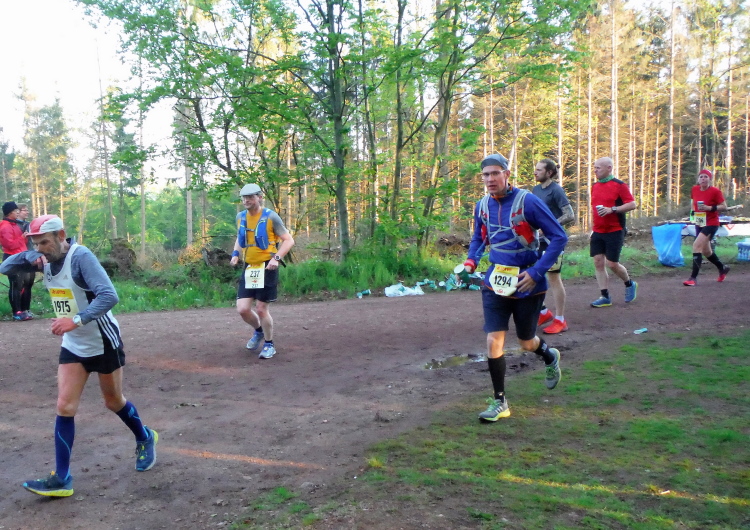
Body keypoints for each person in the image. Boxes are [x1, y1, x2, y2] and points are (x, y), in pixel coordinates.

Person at [18, 215, 157, 497]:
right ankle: (62, 479)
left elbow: (109, 296)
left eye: (44, 242)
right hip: (74, 345)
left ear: (61, 235)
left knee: (113, 401)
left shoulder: (81, 257)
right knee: (64, 406)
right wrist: (30, 256)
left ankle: (145, 437)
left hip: (103, 341)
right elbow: (6, 267)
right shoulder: (45, 259)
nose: (40, 248)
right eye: (35, 244)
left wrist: (76, 320)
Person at [463, 153, 568, 422]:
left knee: (526, 341)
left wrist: (536, 272)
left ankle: (549, 355)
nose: (490, 179)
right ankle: (500, 402)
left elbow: (559, 237)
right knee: (493, 340)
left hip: (527, 282)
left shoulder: (527, 201)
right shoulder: (482, 206)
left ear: (507, 174)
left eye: (495, 173)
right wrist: (472, 260)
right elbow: (479, 237)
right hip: (496, 281)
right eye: (485, 175)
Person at [229, 184, 295, 359]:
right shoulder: (240, 217)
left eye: (250, 197)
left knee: (261, 309)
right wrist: (235, 254)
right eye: (244, 197)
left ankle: (269, 344)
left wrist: (276, 258)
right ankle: (258, 331)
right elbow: (241, 237)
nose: (246, 200)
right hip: (249, 267)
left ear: (259, 197)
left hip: (267, 266)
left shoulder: (271, 217)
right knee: (243, 309)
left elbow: (288, 240)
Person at [532, 159, 575, 334]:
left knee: (553, 277)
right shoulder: (535, 190)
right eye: (535, 169)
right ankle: (543, 312)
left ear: (549, 172)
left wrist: (550, 226)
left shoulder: (556, 190)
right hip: (538, 240)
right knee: (533, 274)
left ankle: (560, 319)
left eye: (539, 170)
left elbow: (569, 215)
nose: (535, 172)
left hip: (554, 241)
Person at [589, 157, 638, 308]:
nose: (595, 170)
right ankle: (605, 296)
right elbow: (594, 209)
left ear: (609, 168)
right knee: (598, 262)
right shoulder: (595, 186)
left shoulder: (619, 185)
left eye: (598, 168)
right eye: (594, 167)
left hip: (615, 230)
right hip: (598, 230)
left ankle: (629, 283)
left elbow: (632, 204)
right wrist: (592, 228)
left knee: (612, 264)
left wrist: (612, 209)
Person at [683, 169, 730, 286]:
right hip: (699, 222)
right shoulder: (694, 189)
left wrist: (710, 208)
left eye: (705, 177)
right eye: (701, 177)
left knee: (696, 246)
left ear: (710, 179)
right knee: (706, 251)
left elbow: (724, 206)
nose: (703, 179)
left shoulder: (715, 191)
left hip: (712, 223)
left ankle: (693, 278)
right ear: (698, 179)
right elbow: (693, 202)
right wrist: (692, 214)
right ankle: (722, 268)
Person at [1, 201, 33, 320]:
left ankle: (23, 310)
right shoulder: (5, 226)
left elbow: (21, 242)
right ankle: (16, 312)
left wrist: (24, 237)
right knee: (15, 285)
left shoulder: (14, 224)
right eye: (16, 211)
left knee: (23, 284)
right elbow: (9, 245)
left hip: (20, 257)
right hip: (11, 258)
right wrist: (22, 238)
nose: (17, 213)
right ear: (10, 212)